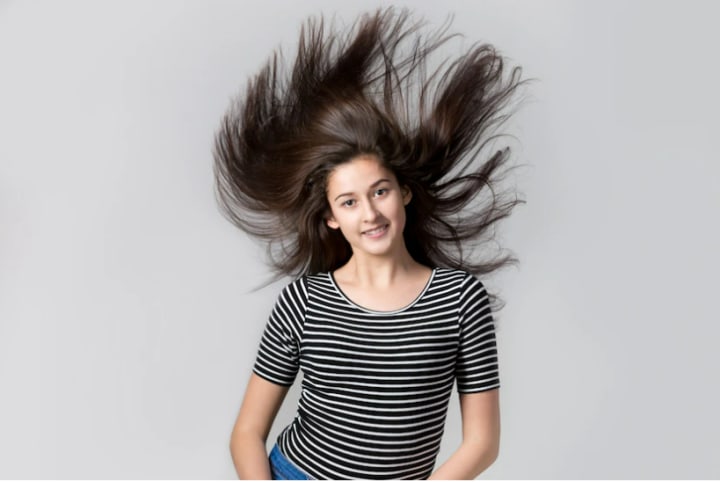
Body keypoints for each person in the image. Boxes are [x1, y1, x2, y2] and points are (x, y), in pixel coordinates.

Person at [214, 6, 528, 480]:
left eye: (380, 192)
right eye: (349, 202)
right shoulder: (303, 303)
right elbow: (246, 433)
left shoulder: (461, 300)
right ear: (331, 218)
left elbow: (483, 443)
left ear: (404, 193)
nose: (370, 214)